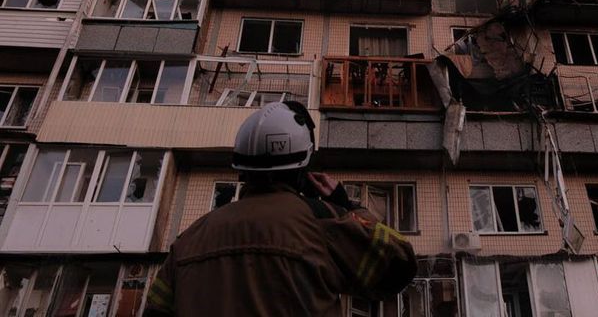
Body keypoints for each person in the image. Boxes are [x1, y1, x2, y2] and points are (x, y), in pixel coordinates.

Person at [144, 101, 417, 316]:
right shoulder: (322, 223)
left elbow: (156, 310)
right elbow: (399, 265)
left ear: (242, 169)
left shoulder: (189, 239)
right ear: (303, 168)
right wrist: (345, 206)